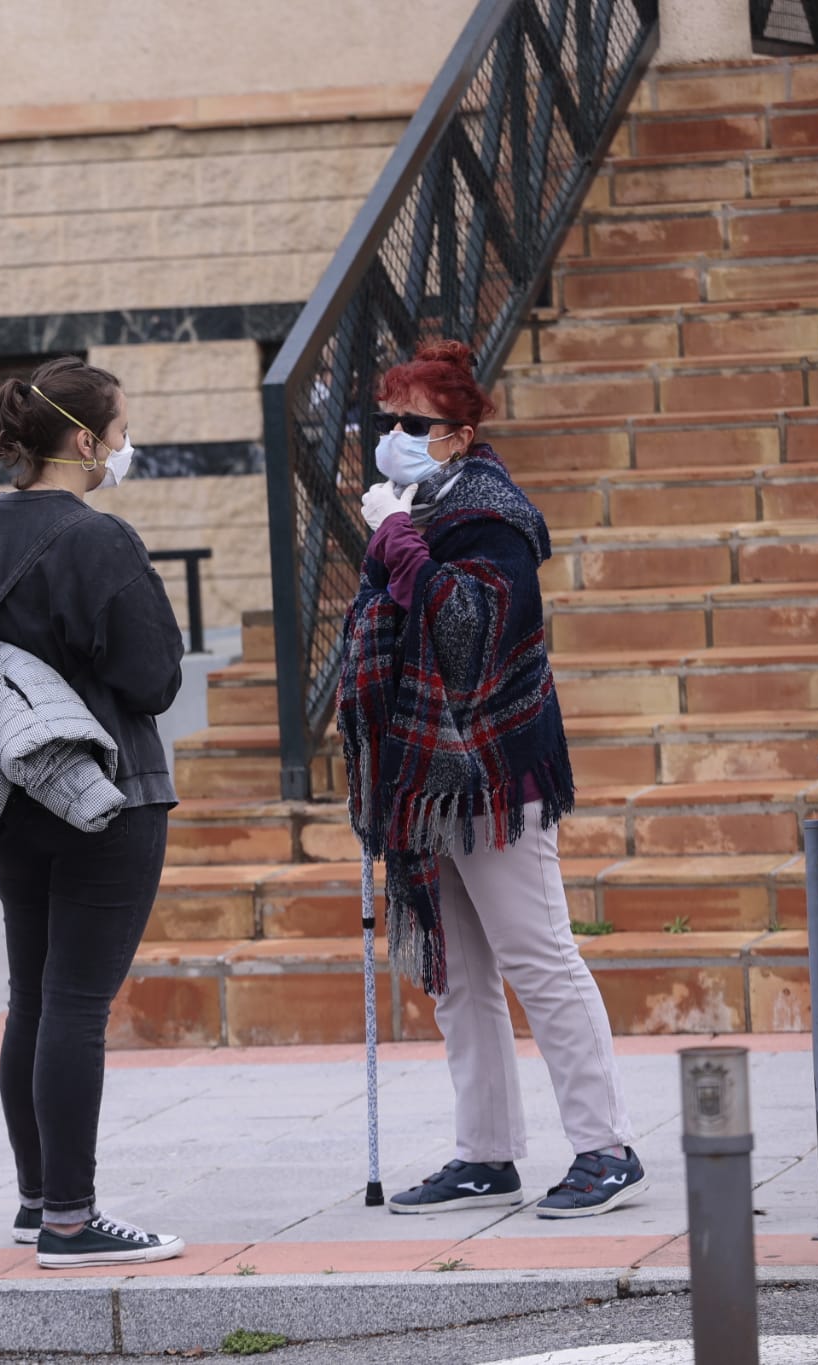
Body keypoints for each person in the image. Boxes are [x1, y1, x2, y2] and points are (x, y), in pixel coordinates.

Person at [343, 338, 642, 1219]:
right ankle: (486, 1153)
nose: (394, 435)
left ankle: (606, 1146)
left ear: (462, 434)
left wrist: (398, 543)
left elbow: (471, 631)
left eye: (415, 423)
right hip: (425, 777)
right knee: (459, 972)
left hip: (496, 771)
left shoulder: (490, 518)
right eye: (385, 420)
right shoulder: (412, 510)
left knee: (537, 955)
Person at [0, 356, 186, 1269]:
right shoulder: (100, 539)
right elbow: (154, 676)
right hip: (106, 791)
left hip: (10, 792)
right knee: (78, 1004)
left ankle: (37, 1196)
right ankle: (73, 1222)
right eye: (120, 429)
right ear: (84, 441)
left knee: (33, 995)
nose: (124, 444)